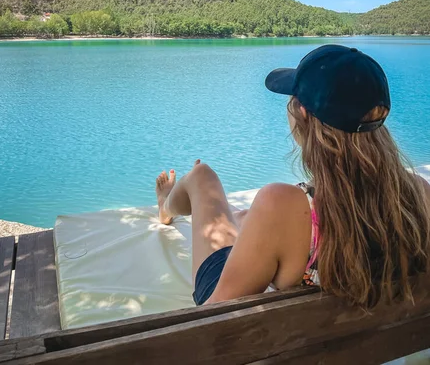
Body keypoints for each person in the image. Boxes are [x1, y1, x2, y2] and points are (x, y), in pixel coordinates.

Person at [155, 45, 430, 308]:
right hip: (372, 340)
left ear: (302, 113)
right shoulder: (421, 195)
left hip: (244, 314)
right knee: (245, 217)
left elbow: (217, 320)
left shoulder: (284, 204)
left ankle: (166, 208)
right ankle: (237, 218)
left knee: (202, 177)